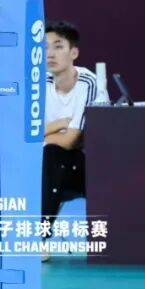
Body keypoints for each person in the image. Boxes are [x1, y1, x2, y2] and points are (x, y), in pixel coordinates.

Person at [41, 20, 96, 259]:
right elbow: (24, 135)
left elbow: (73, 140)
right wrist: (61, 124)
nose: (50, 53)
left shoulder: (88, 83)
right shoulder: (39, 83)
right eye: (45, 47)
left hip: (86, 168)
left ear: (73, 53)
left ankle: (38, 238)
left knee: (53, 154)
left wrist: (45, 135)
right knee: (35, 161)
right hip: (46, 162)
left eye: (58, 46)